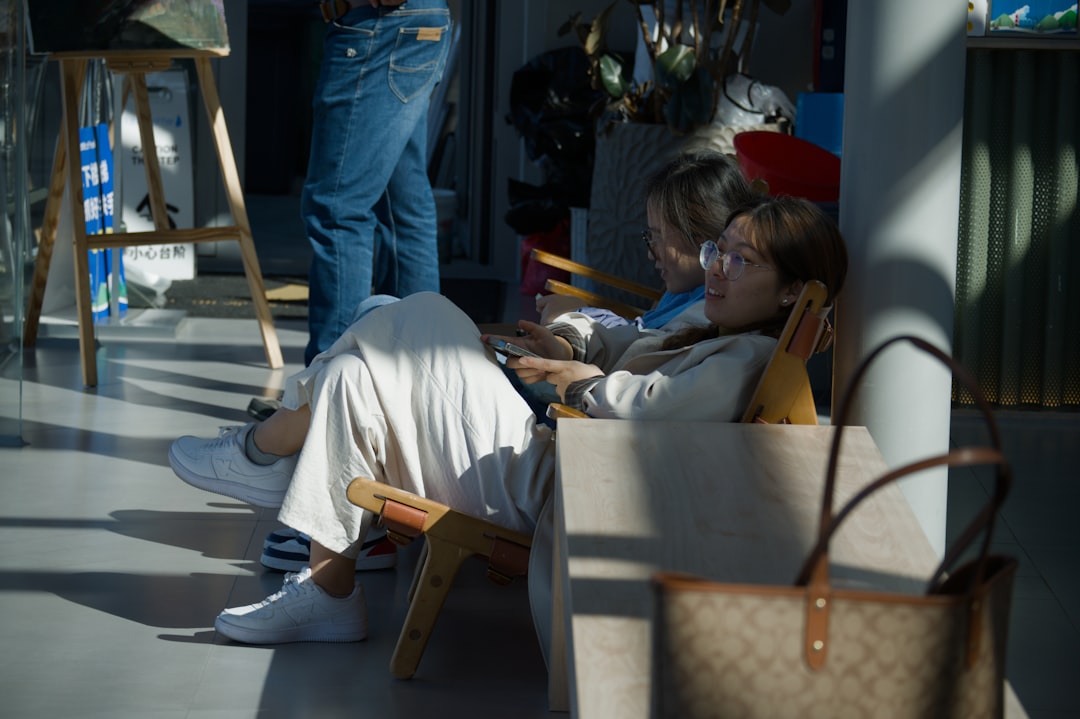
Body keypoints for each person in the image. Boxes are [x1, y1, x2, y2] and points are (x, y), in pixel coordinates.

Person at [167, 195, 848, 647]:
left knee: (422, 312)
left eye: (741, 259)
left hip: (558, 485)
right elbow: (624, 342)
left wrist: (585, 383)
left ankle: (268, 446)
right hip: (550, 465)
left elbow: (657, 408)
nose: (718, 270)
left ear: (792, 289)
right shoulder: (713, 323)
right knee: (355, 368)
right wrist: (573, 344)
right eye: (717, 251)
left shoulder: (749, 356)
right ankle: (328, 588)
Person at [303, 0, 452, 366]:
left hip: (379, 26)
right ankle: (417, 379)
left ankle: (326, 387)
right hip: (406, 24)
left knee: (338, 209)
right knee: (403, 208)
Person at [535, 150, 755, 330]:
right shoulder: (692, 292)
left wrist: (579, 315)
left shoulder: (707, 313)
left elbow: (641, 346)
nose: (651, 253)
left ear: (702, 238)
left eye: (657, 237)